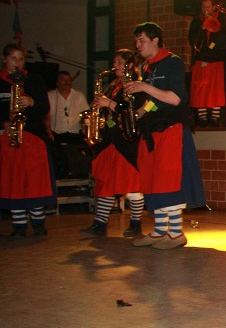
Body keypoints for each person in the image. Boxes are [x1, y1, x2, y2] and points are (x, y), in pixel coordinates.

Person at [126, 22, 206, 249]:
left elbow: (175, 99)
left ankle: (176, 234)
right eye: (136, 41)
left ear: (155, 40)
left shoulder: (172, 63)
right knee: (154, 182)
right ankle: (160, 232)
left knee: (168, 182)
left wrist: (144, 87)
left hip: (171, 131)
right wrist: (139, 113)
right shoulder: (149, 67)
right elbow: (155, 102)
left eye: (141, 40)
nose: (138, 45)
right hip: (153, 131)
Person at [79, 48, 145, 238]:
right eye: (114, 62)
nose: (114, 65)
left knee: (132, 186)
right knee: (106, 183)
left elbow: (131, 112)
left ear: (130, 65)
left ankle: (135, 223)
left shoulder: (136, 85)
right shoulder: (114, 85)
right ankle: (100, 224)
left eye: (119, 62)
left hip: (126, 142)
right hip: (109, 141)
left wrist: (109, 104)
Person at [0, 43, 55, 236]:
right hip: (9, 137)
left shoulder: (34, 80)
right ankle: (19, 226)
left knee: (34, 181)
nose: (17, 63)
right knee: (13, 181)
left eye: (21, 59)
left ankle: (38, 223)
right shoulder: (1, 81)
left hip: (33, 136)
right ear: (5, 59)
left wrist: (32, 102)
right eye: (13, 58)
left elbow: (44, 108)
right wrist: (4, 123)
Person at [188, 0, 226, 127]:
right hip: (200, 60)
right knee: (200, 91)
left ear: (213, 7)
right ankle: (202, 119)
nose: (206, 10)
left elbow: (223, 42)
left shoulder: (221, 20)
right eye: (204, 7)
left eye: (208, 7)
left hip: (216, 60)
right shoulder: (197, 22)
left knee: (215, 92)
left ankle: (214, 119)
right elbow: (192, 41)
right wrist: (203, 27)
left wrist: (213, 29)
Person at [47, 70, 89, 144]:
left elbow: (87, 115)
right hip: (56, 135)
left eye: (69, 80)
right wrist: (49, 132)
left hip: (75, 135)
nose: (67, 82)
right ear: (57, 83)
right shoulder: (50, 96)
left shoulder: (79, 96)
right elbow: (46, 117)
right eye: (63, 80)